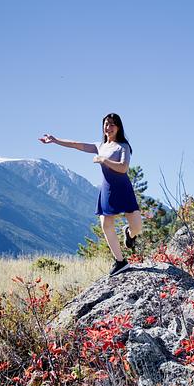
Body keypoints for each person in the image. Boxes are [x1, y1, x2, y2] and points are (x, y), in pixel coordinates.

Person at [40, 113, 143, 276]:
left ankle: (129, 234)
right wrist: (55, 140)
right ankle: (120, 261)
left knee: (137, 227)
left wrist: (103, 160)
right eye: (106, 124)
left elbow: (123, 168)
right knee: (106, 225)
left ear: (118, 127)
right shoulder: (99, 146)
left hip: (124, 189)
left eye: (112, 124)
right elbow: (76, 145)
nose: (108, 127)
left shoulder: (123, 146)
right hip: (108, 189)